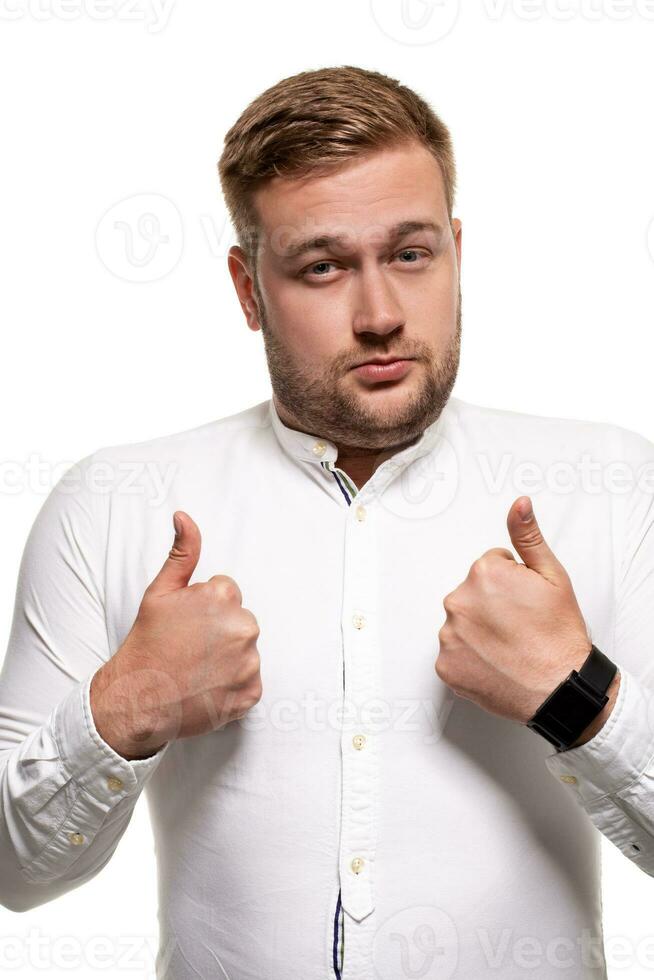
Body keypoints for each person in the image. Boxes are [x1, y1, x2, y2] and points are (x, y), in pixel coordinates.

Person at [1, 64, 653, 980]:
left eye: (412, 254)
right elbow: (15, 876)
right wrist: (124, 707)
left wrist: (578, 696)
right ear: (247, 287)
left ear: (457, 252)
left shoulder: (612, 485)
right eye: (323, 266)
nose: (380, 314)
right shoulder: (111, 505)